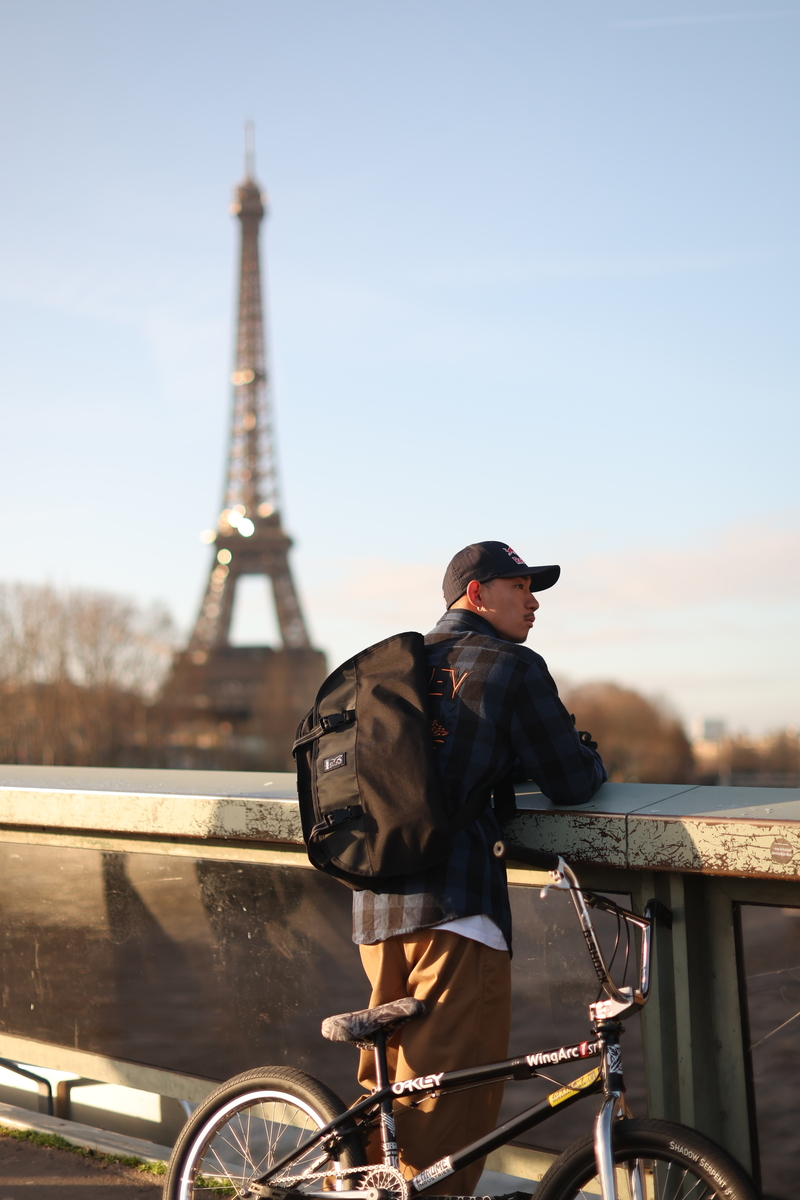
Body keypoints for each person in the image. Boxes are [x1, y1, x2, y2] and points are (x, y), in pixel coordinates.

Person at [352, 541, 607, 1196]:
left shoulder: (396, 666)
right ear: (476, 594)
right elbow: (571, 781)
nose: (533, 600)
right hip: (458, 909)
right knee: (447, 1115)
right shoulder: (510, 667)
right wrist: (588, 751)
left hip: (376, 907)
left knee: (389, 1098)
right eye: (519, 586)